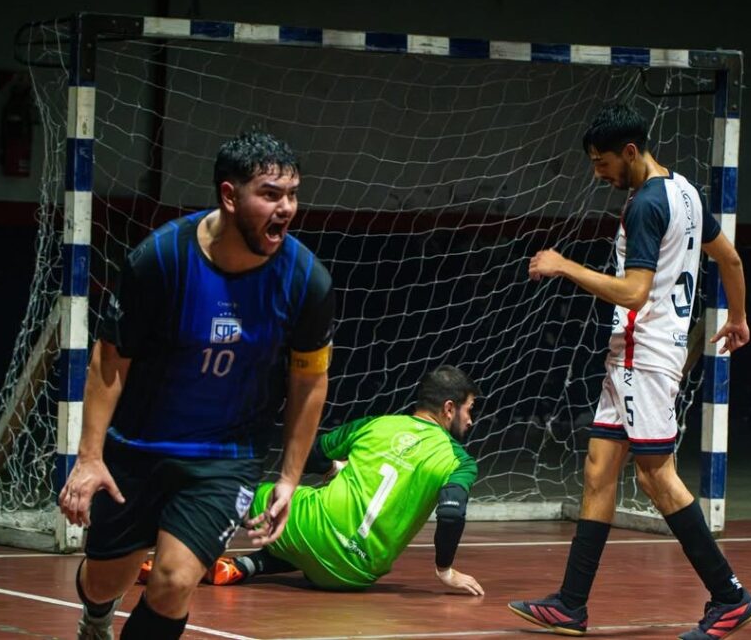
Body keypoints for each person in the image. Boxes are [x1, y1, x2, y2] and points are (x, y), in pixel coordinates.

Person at [58, 129, 335, 640]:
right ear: (230, 196)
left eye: (293, 194)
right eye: (270, 194)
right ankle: (96, 616)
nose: (287, 207)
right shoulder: (160, 259)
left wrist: (290, 478)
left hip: (225, 456)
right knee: (106, 580)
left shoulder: (306, 280)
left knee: (173, 581)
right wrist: (90, 456)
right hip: (137, 447)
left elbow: (310, 380)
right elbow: (112, 357)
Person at [508, 104, 751, 638]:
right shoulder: (686, 192)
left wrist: (563, 266)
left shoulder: (645, 205)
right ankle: (571, 604)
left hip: (643, 357)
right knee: (600, 470)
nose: (597, 173)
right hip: (634, 355)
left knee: (655, 476)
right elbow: (731, 261)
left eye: (601, 163)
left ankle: (729, 597)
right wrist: (738, 318)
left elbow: (635, 292)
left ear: (629, 152)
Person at [140, 365, 484, 596]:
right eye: (470, 410)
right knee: (317, 542)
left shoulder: (375, 425)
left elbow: (314, 453)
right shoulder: (459, 461)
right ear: (449, 409)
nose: (471, 420)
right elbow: (452, 514)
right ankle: (250, 564)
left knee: (241, 491)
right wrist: (445, 571)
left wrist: (334, 470)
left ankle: (173, 552)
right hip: (353, 574)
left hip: (308, 530)